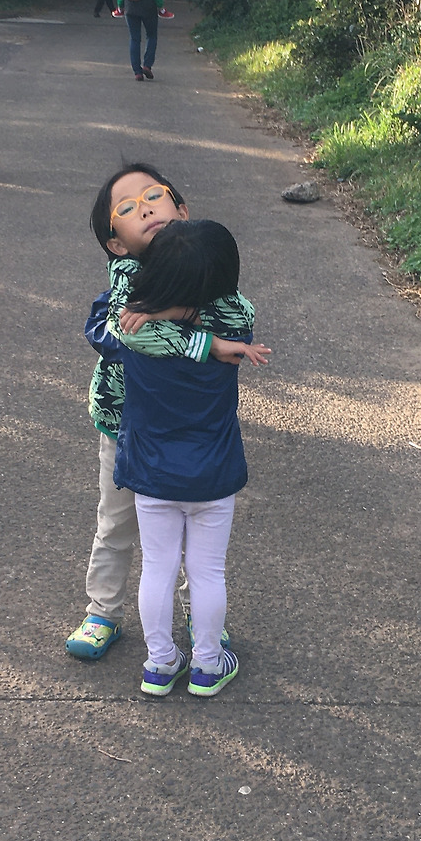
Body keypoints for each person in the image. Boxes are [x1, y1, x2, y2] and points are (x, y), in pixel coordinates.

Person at [66, 165, 257, 662]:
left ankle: (198, 614)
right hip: (125, 427)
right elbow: (119, 333)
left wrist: (176, 315)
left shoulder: (203, 260)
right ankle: (102, 611)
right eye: (127, 207)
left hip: (186, 430)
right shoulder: (126, 279)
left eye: (155, 195)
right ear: (116, 244)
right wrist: (204, 340)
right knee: (116, 524)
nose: (146, 208)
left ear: (182, 211)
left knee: (195, 542)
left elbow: (240, 314)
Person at [111, 219, 270, 698]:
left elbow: (121, 320)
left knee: (157, 568)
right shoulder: (234, 326)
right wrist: (194, 316)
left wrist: (160, 308)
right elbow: (239, 304)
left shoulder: (135, 328)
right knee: (207, 572)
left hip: (152, 472)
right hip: (213, 473)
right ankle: (207, 664)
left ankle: (160, 665)